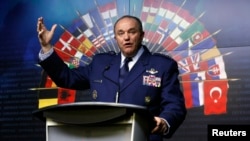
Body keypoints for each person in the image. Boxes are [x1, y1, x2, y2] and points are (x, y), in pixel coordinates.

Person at [37, 15, 186, 141]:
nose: (126, 37)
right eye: (121, 33)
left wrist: (164, 122)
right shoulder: (100, 63)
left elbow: (174, 106)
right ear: (115, 38)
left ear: (141, 35)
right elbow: (67, 78)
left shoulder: (163, 65)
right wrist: (46, 47)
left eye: (132, 32)